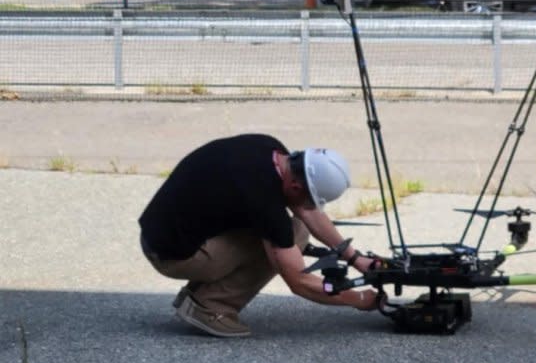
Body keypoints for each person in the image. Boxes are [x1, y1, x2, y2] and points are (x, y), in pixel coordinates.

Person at [139, 133, 380, 337]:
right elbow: (300, 282)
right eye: (310, 200)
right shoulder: (262, 199)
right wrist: (358, 298)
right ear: (296, 187)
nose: (309, 207)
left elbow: (308, 214)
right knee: (292, 238)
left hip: (163, 233)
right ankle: (210, 305)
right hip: (170, 255)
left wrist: (356, 259)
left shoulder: (271, 149)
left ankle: (199, 293)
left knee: (293, 230)